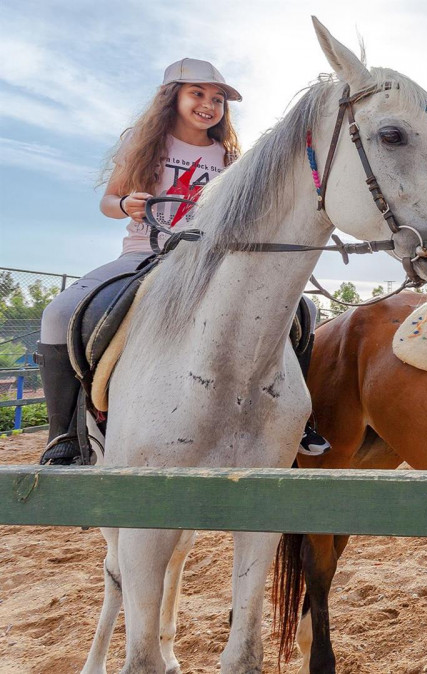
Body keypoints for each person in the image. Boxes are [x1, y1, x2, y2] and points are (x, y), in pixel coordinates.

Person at [36, 58, 328, 465]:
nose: (209, 104)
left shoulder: (229, 158)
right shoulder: (146, 145)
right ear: (172, 97)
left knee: (305, 309)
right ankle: (64, 435)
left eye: (218, 99)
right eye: (198, 94)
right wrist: (124, 204)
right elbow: (108, 201)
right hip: (145, 254)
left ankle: (297, 418)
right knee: (58, 312)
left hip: (210, 261)